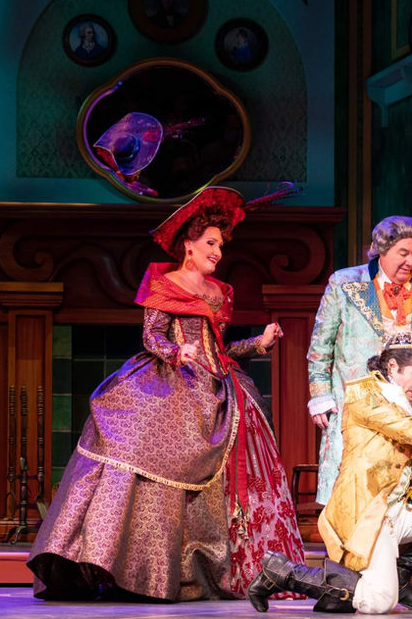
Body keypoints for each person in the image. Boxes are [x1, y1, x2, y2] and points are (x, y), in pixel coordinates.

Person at [27, 187, 304, 601]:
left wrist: (259, 344)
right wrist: (178, 352)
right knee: (137, 447)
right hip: (169, 381)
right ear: (188, 245)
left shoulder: (220, 292)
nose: (218, 252)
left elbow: (221, 350)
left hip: (218, 387)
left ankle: (206, 570)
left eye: (221, 245)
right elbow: (151, 336)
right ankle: (134, 569)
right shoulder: (165, 283)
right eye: (210, 243)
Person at [248, 332, 412, 614]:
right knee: (379, 603)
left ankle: (400, 574)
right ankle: (283, 572)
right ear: (392, 366)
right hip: (369, 513)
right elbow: (410, 430)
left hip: (400, 513)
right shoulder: (364, 395)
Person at [307, 216, 412, 505]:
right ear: (382, 250)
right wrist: (320, 394)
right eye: (403, 253)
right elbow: (320, 347)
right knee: (356, 487)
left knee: (411, 485)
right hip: (359, 400)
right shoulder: (344, 283)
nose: (410, 262)